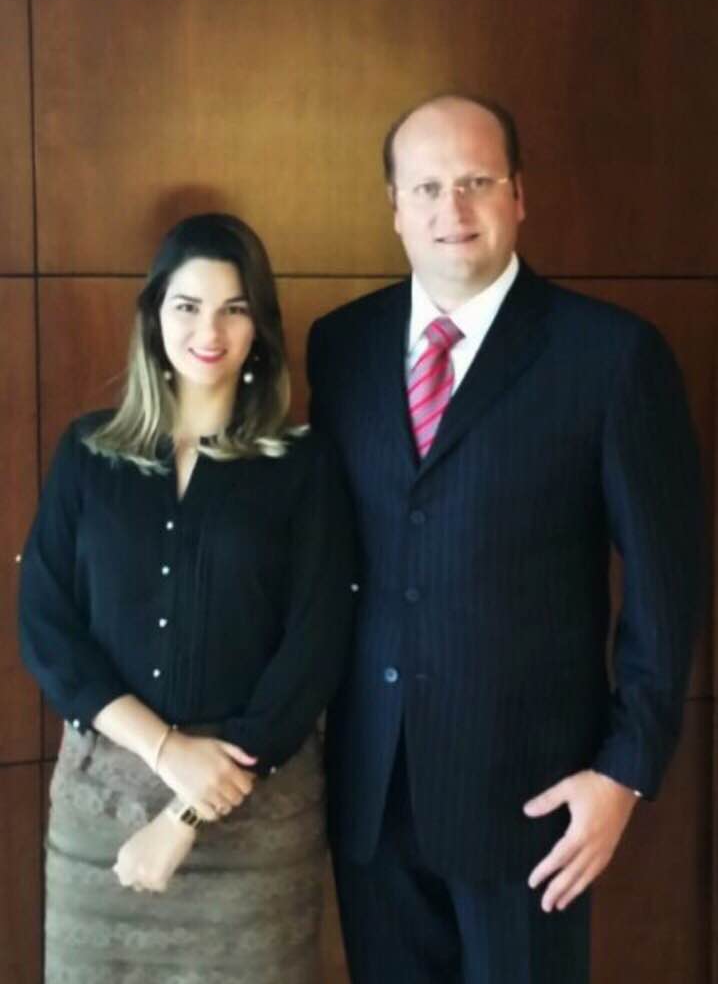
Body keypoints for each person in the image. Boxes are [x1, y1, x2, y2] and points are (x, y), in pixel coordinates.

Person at [306, 94, 704, 983]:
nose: (452, 208)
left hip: (534, 804)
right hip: (373, 795)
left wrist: (625, 771)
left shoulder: (612, 356)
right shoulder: (340, 347)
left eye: (477, 181)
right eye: (428, 187)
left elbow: (666, 584)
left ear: (519, 195)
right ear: (395, 206)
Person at [19, 212, 355, 984]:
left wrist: (188, 811)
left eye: (235, 308)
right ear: (153, 316)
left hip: (255, 824)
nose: (210, 330)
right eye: (188, 305)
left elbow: (314, 649)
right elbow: (46, 624)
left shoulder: (304, 465)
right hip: (102, 812)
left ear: (259, 326)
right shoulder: (87, 453)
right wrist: (167, 751)